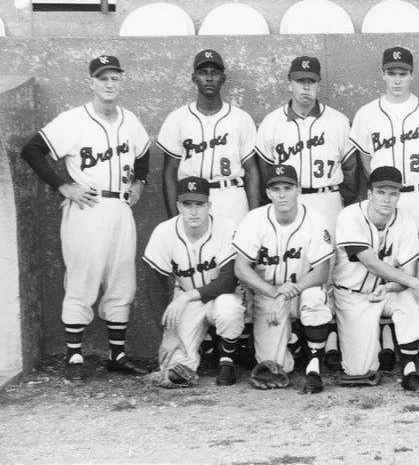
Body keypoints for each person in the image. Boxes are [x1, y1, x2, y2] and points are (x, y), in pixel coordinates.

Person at [20, 54, 151, 381]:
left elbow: (145, 152)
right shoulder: (73, 120)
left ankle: (117, 355)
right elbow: (32, 150)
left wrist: (140, 182)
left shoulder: (129, 120)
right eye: (103, 78)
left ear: (121, 82)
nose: (109, 84)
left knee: (122, 280)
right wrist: (63, 186)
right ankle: (74, 357)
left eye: (114, 78)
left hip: (120, 207)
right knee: (82, 279)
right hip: (87, 208)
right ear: (91, 82)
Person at [349, 47, 419, 373]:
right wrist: (382, 191)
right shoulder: (367, 113)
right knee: (384, 262)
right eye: (391, 73)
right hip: (384, 198)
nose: (397, 79)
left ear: (412, 75)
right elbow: (365, 161)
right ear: (383, 74)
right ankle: (388, 342)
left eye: (402, 73)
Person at [232, 165, 335, 394]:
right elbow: (241, 269)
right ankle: (295, 341)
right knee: (276, 367)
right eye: (276, 189)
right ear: (268, 193)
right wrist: (273, 292)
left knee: (316, 297)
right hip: (269, 295)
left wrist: (293, 289)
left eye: (287, 188)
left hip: (302, 290)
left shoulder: (315, 220)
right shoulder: (255, 219)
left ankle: (314, 367)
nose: (281, 194)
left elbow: (321, 272)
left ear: (298, 189)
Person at [330, 166, 419, 392]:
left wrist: (390, 288)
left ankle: (409, 371)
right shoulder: (350, 216)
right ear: (369, 194)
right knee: (359, 371)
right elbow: (369, 262)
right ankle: (377, 341)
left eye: (393, 193)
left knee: (409, 298)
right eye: (380, 192)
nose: (387, 199)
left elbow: (409, 274)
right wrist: (415, 284)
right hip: (352, 295)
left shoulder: (405, 220)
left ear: (399, 196)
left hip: (387, 292)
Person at [144, 177, 244, 386]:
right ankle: (193, 353)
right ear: (178, 205)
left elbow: (228, 281)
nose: (193, 211)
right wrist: (169, 333)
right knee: (176, 370)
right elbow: (155, 288)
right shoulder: (164, 232)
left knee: (229, 310)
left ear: (209, 205)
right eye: (187, 204)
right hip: (186, 299)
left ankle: (227, 361)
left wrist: (187, 297)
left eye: (199, 204)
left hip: (220, 295)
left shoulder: (226, 226)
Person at [254, 55, 356, 235]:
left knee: (330, 257)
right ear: (290, 83)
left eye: (311, 81)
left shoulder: (338, 121)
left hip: (327, 199)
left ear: (319, 85)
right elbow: (265, 172)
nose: (306, 87)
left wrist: (344, 200)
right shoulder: (271, 123)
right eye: (301, 81)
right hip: (288, 202)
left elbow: (351, 170)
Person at [157, 49, 261, 225]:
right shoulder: (177, 119)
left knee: (234, 251)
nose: (209, 78)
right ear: (194, 78)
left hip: (230, 195)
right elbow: (170, 172)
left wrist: (255, 217)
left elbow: (252, 171)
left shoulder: (241, 119)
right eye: (203, 73)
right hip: (191, 197)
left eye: (215, 73)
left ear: (223, 78)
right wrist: (174, 218)